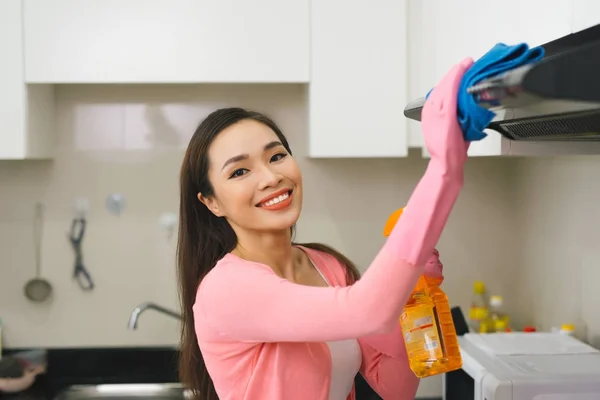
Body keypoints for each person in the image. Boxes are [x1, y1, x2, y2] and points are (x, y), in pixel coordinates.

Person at [176, 57, 474, 400]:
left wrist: (412, 297)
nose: (272, 177)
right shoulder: (226, 289)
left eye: (276, 156)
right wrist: (445, 166)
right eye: (239, 172)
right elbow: (369, 310)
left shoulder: (329, 266)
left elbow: (396, 389)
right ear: (211, 202)